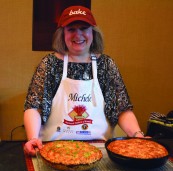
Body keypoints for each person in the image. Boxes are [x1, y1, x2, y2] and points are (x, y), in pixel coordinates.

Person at [23, 5, 144, 156]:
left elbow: (122, 109)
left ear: (93, 32)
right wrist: (33, 138)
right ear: (62, 34)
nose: (78, 34)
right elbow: (34, 107)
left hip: (100, 152)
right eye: (71, 29)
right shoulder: (49, 64)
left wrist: (138, 135)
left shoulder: (106, 64)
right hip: (52, 150)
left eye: (84, 28)